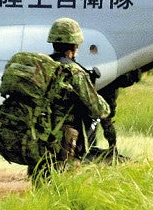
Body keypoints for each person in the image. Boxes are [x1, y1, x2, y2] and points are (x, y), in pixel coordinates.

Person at [44, 18, 110, 173]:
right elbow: (100, 109)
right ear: (74, 46)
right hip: (63, 143)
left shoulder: (42, 66)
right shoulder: (75, 72)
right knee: (65, 187)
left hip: (39, 136)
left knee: (41, 182)